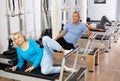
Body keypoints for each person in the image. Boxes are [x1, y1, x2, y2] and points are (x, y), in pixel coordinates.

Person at [11, 32, 75, 75]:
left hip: (46, 53)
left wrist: (33, 66)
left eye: (18, 37)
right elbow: (20, 62)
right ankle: (63, 68)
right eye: (15, 39)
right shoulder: (18, 50)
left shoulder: (31, 42)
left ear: (22, 37)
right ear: (15, 42)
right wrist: (16, 66)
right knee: (44, 71)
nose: (18, 39)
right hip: (43, 62)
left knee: (45, 38)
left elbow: (40, 53)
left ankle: (64, 51)